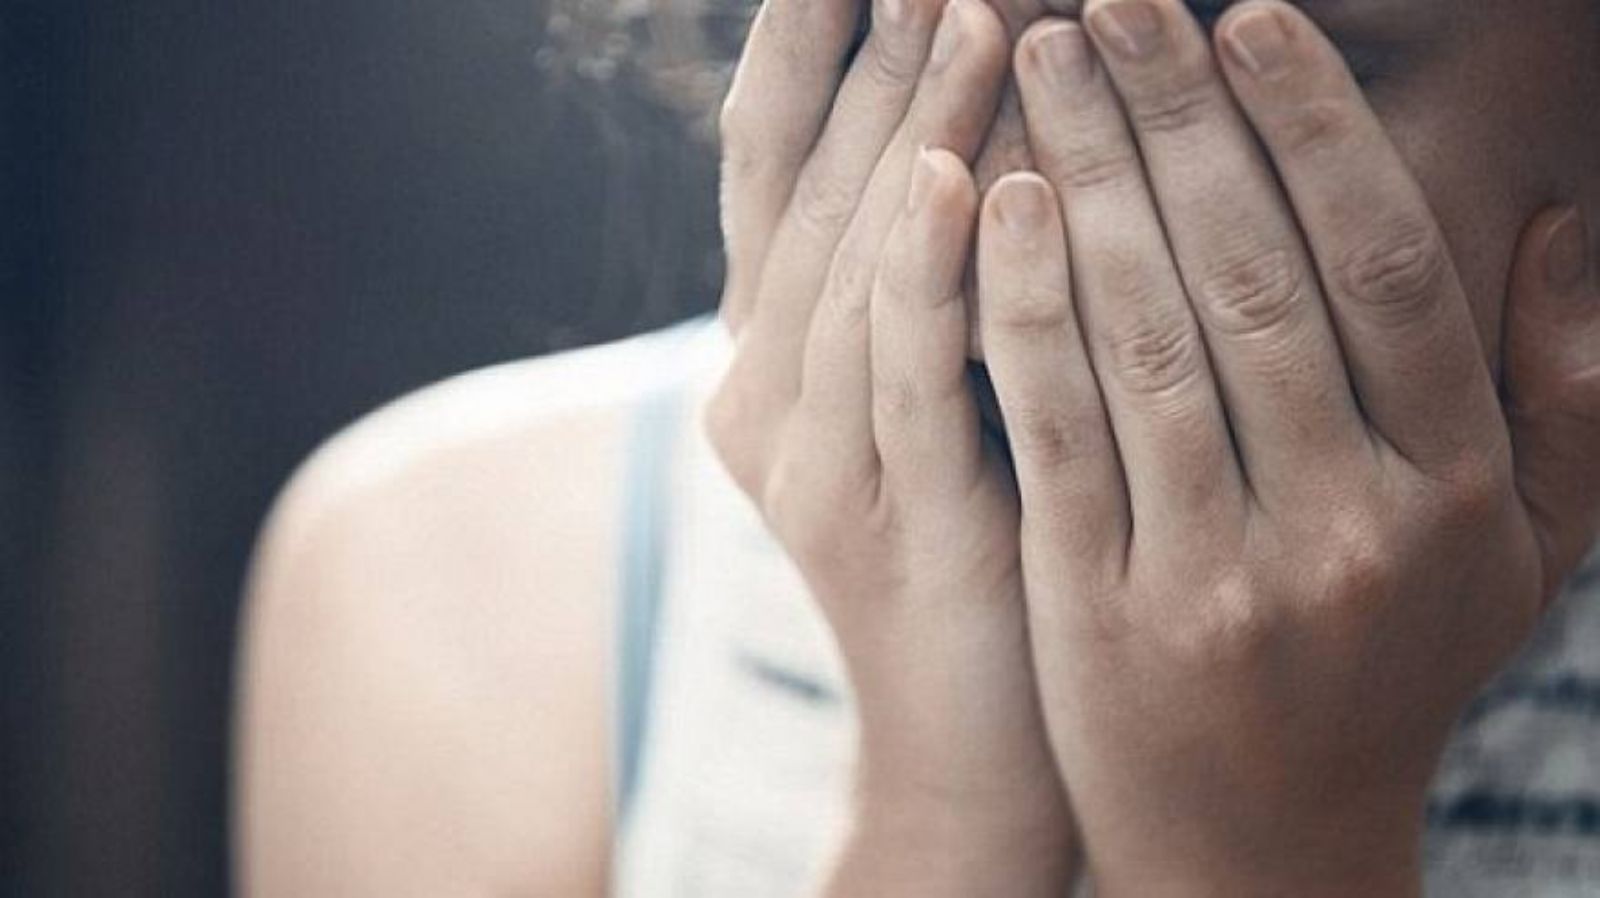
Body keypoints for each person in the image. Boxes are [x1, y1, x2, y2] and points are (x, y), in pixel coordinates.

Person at [234, 0, 1600, 894]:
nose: (1032, 208)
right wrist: (947, 818)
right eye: (924, 30)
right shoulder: (451, 595)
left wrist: (1262, 851)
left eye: (1250, 46)